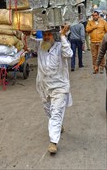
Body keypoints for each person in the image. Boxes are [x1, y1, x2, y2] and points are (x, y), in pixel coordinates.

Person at [36, 25, 73, 154]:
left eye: (49, 34)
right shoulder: (40, 46)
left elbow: (69, 53)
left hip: (59, 86)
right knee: (48, 110)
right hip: (44, 86)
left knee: (56, 111)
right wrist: (24, 33)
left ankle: (53, 142)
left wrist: (63, 35)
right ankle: (57, 125)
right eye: (44, 34)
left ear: (54, 35)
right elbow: (26, 43)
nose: (46, 37)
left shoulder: (60, 46)